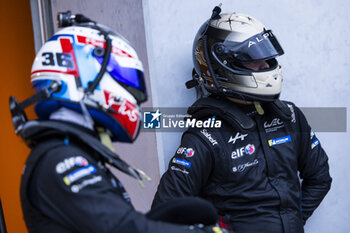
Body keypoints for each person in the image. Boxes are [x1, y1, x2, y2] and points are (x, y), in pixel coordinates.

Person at [10, 12, 228, 233]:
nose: (135, 99)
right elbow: (123, 229)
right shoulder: (60, 159)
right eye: (127, 85)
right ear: (87, 78)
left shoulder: (67, 151)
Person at [152, 5, 332, 233]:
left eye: (267, 56)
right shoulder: (207, 134)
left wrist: (291, 222)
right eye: (254, 58)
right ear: (225, 65)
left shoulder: (290, 116)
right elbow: (165, 212)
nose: (266, 65)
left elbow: (320, 177)